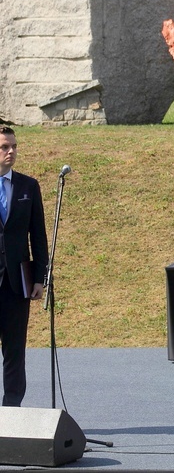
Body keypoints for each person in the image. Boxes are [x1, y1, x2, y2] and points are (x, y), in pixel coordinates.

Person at [0, 126, 49, 406]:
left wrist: (40, 278)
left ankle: (12, 409)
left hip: (17, 284)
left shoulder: (28, 187)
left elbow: (38, 234)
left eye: (14, 146)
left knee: (15, 351)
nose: (11, 152)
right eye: (4, 147)